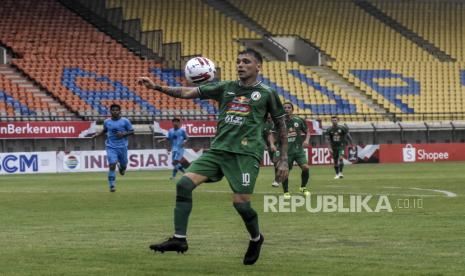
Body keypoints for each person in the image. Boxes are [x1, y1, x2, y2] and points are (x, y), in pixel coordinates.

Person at [138, 48, 289, 265]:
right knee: (184, 184)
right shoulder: (225, 87)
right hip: (218, 151)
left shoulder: (267, 93)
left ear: (258, 66)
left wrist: (283, 158)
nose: (240, 65)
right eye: (237, 61)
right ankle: (179, 239)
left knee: (241, 205)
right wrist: (157, 87)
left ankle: (256, 238)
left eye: (246, 61)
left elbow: (281, 125)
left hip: (245, 155)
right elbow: (187, 92)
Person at [92, 104, 134, 192]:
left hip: (122, 146)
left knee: (124, 165)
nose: (115, 111)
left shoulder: (125, 121)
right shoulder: (107, 122)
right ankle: (112, 185)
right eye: (113, 110)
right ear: (110, 111)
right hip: (111, 146)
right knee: (112, 164)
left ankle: (122, 168)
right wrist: (97, 135)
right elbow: (105, 131)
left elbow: (132, 131)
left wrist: (123, 134)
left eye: (116, 110)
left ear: (120, 111)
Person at [274, 102, 311, 198]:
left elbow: (307, 131)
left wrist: (306, 140)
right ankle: (286, 192)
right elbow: (273, 133)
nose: (286, 109)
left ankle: (303, 187)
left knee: (306, 167)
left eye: (288, 107)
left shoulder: (298, 120)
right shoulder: (279, 122)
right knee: (285, 172)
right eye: (285, 108)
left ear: (292, 109)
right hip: (285, 152)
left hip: (298, 150)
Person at [263, 114, 280, 187]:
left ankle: (277, 180)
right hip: (269, 146)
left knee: (276, 162)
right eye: (267, 117)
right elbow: (261, 136)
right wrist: (264, 144)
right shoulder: (263, 125)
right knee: (274, 162)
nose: (269, 118)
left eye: (270, 117)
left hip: (277, 145)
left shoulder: (276, 124)